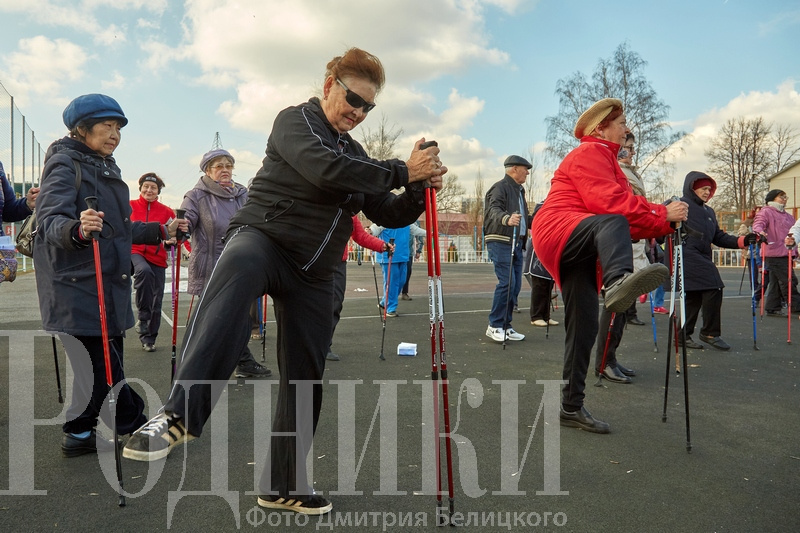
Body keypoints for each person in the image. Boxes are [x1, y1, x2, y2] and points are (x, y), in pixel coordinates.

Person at [123, 48, 445, 515]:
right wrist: (401, 170)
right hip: (265, 238)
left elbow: (386, 209)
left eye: (368, 107)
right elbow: (324, 170)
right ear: (329, 84)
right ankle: (179, 415)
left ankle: (284, 484)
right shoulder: (295, 121)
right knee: (235, 274)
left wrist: (417, 187)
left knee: (305, 375)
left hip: (316, 269)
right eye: (353, 99)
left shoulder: (356, 153)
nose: (357, 111)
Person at [33, 94, 186, 457]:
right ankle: (132, 423)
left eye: (118, 128)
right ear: (81, 129)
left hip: (104, 281)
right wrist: (77, 229)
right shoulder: (65, 164)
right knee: (103, 365)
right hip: (77, 283)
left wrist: (160, 232)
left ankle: (81, 432)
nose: (114, 134)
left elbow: (119, 228)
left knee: (100, 364)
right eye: (106, 126)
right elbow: (50, 220)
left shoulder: (105, 166)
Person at [532, 98, 687, 434]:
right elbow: (612, 207)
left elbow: (630, 219)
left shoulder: (611, 163)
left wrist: (662, 221)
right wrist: (663, 213)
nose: (626, 129)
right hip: (561, 227)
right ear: (601, 127)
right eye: (621, 123)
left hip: (580, 240)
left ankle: (571, 407)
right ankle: (618, 284)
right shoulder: (590, 153)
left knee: (584, 327)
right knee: (612, 218)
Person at [180, 148, 271, 378]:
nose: (225, 170)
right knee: (209, 321)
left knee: (239, 319)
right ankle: (192, 364)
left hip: (240, 266)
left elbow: (257, 219)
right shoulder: (196, 195)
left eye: (228, 166)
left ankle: (244, 363)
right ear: (208, 171)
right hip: (210, 266)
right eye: (219, 166)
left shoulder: (243, 194)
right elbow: (187, 220)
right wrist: (180, 227)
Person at [593, 133, 650, 384]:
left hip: (633, 243)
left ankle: (611, 357)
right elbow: (619, 206)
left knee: (625, 306)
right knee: (616, 303)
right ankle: (604, 361)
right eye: (626, 148)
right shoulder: (614, 172)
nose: (630, 152)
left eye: (631, 148)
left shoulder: (633, 173)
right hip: (618, 244)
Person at [677, 172, 755, 351]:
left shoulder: (708, 211)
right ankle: (710, 332)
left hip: (702, 254)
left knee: (694, 297)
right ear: (692, 187)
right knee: (714, 285)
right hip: (687, 253)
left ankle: (682, 335)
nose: (707, 192)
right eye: (704, 188)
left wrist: (742, 240)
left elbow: (718, 236)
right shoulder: (679, 204)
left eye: (709, 189)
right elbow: (663, 222)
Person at [327, 215, 391, 361]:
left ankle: (324, 345)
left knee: (335, 304)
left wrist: (382, 246)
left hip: (338, 264)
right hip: (314, 261)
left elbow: (360, 235)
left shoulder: (350, 211)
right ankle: (308, 344)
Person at [484, 155, 532, 342]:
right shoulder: (500, 188)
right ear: (513, 169)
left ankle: (506, 325)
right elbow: (493, 209)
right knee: (507, 282)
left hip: (517, 242)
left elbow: (524, 219)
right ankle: (495, 325)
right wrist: (506, 219)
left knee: (515, 285)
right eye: (525, 168)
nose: (527, 172)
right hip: (501, 240)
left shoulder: (519, 191)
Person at [130, 172, 175, 352]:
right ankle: (142, 317)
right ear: (140, 188)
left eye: (153, 187)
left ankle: (149, 338)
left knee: (157, 301)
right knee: (143, 271)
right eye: (146, 186)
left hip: (157, 257)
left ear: (158, 191)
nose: (149, 190)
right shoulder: (129, 207)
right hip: (135, 252)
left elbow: (176, 235)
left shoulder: (167, 211)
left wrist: (173, 241)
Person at [753, 189, 800, 317]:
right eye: (781, 197)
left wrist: (795, 250)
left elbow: (794, 233)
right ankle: (796, 306)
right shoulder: (766, 212)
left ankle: (773, 307)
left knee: (775, 281)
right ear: (772, 198)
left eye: (785, 197)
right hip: (773, 252)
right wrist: (759, 232)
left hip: (787, 252)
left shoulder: (788, 216)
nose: (784, 199)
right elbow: (758, 224)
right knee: (789, 280)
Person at [371, 221, 426, 317]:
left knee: (401, 281)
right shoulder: (385, 219)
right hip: (389, 257)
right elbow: (374, 229)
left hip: (403, 255)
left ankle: (385, 301)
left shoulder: (406, 221)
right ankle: (390, 308)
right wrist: (370, 231)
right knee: (392, 283)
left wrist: (429, 233)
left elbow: (416, 231)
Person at [524, 202, 558, 327]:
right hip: (538, 253)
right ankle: (536, 316)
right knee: (539, 286)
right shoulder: (542, 206)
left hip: (549, 252)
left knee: (548, 286)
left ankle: (546, 315)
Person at [400, 222, 423, 300]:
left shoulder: (415, 222)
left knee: (407, 272)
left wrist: (419, 250)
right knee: (395, 273)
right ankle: (391, 294)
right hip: (397, 251)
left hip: (408, 252)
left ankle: (404, 292)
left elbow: (419, 235)